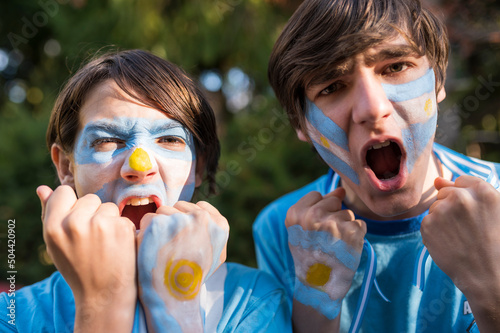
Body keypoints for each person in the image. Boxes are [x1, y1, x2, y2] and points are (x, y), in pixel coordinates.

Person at [0, 49, 290, 333]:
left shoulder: (254, 301)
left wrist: (176, 309)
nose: (140, 166)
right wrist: (103, 305)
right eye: (107, 140)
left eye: (169, 138)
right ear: (66, 166)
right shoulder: (11, 316)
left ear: (198, 167)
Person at [252, 0, 500, 332]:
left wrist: (491, 289)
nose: (372, 108)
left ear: (438, 81)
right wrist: (315, 300)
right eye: (331, 87)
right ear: (302, 125)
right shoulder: (281, 229)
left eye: (396, 67)